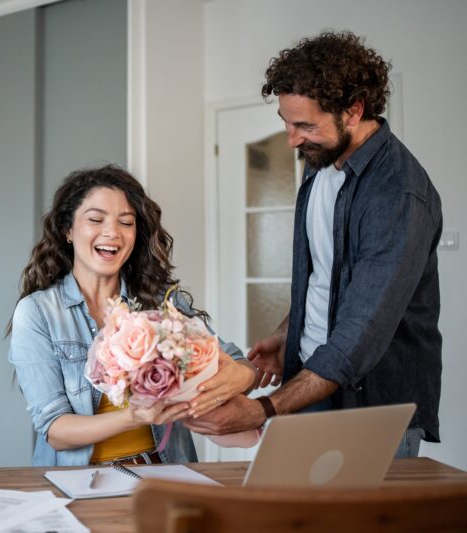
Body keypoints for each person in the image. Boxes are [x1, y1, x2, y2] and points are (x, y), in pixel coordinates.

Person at [183, 31, 442, 458]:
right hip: (311, 383)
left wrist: (262, 409)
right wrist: (290, 332)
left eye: (305, 125)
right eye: (286, 123)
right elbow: (325, 276)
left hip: (372, 407)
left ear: (354, 111)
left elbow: (357, 338)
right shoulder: (320, 164)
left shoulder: (398, 196)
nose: (292, 140)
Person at [8, 165, 255, 466]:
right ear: (67, 230)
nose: (112, 233)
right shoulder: (38, 313)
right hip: (78, 482)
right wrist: (133, 416)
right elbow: (55, 430)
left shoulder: (162, 299)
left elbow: (236, 362)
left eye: (126, 222)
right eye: (96, 220)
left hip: (164, 472)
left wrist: (233, 384)